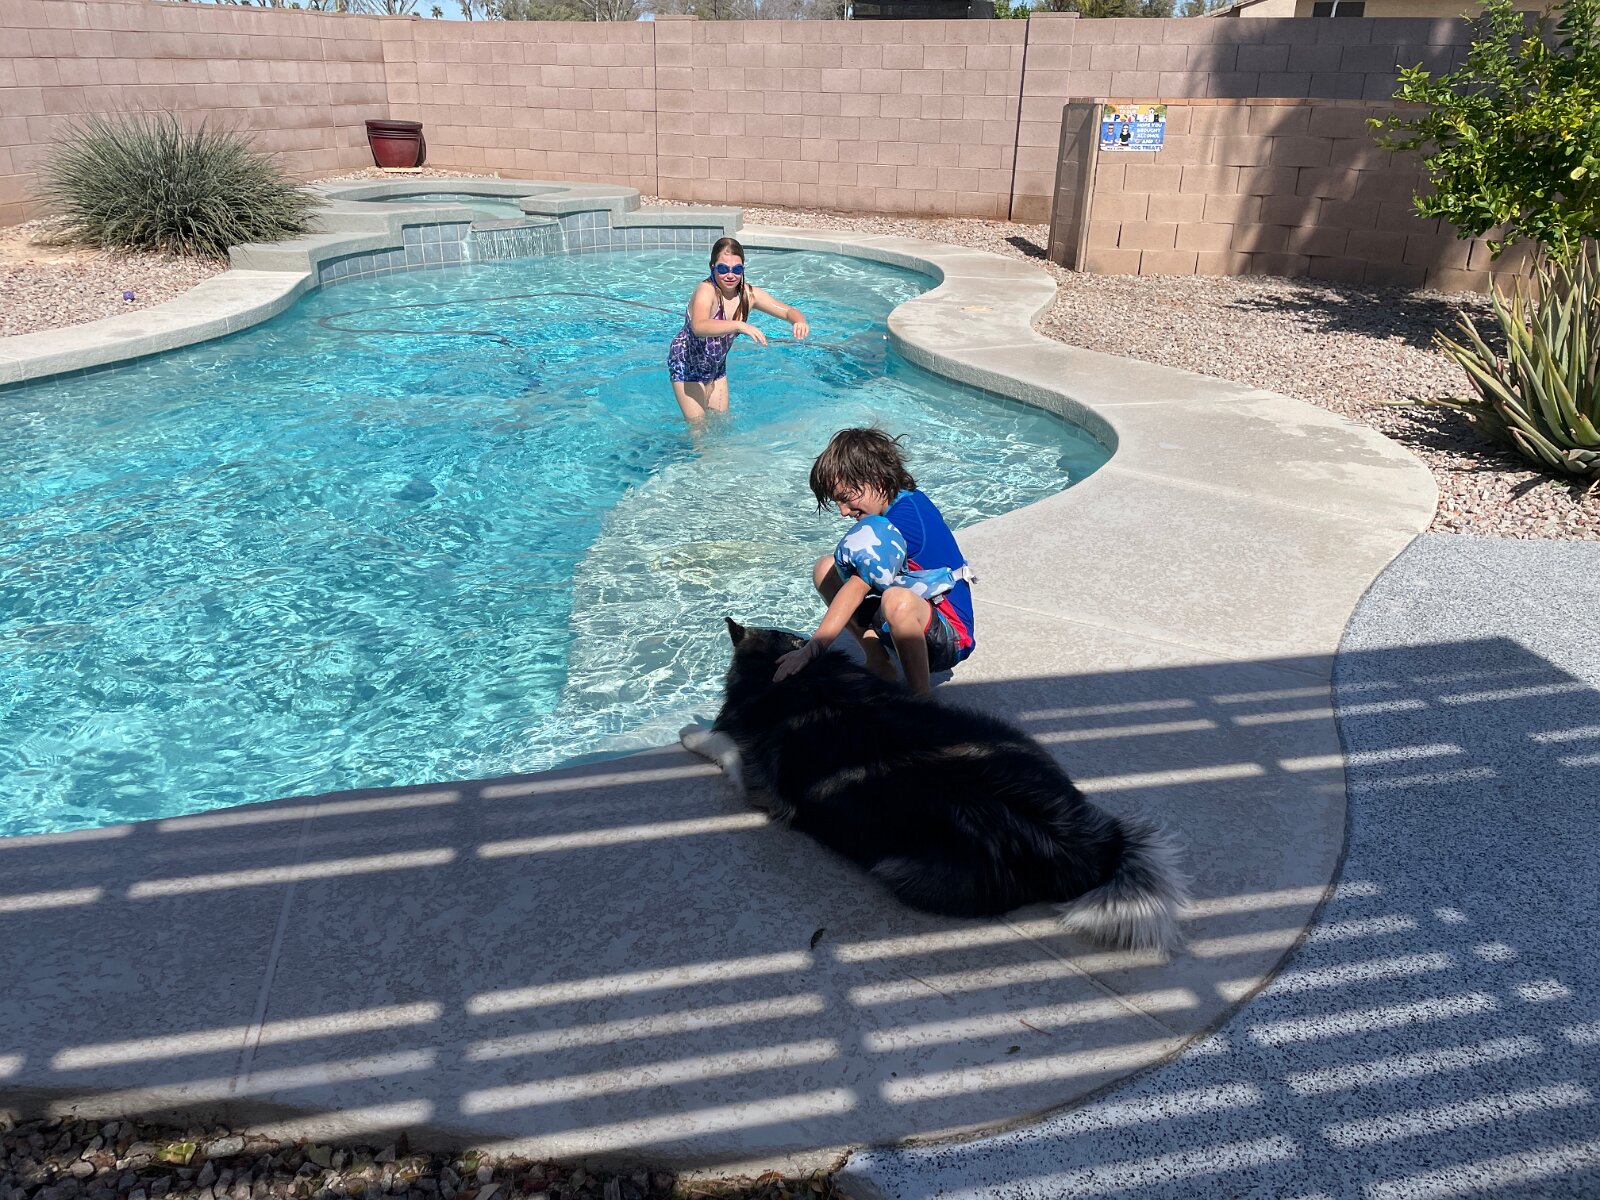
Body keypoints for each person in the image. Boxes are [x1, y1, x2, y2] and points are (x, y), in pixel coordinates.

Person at [774, 427, 976, 697]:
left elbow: (857, 588)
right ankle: (879, 663)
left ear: (875, 478)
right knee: (825, 569)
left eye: (845, 498)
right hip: (915, 615)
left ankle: (919, 699)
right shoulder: (894, 502)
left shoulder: (905, 519)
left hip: (951, 636)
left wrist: (812, 649)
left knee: (896, 601)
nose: (843, 511)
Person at [666, 236, 809, 422]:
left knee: (721, 423)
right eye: (723, 269)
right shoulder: (706, 290)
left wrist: (799, 321)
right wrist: (739, 324)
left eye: (737, 269)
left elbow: (788, 311)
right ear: (712, 267)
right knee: (699, 429)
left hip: (716, 366)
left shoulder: (748, 295)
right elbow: (699, 326)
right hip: (687, 363)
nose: (730, 275)